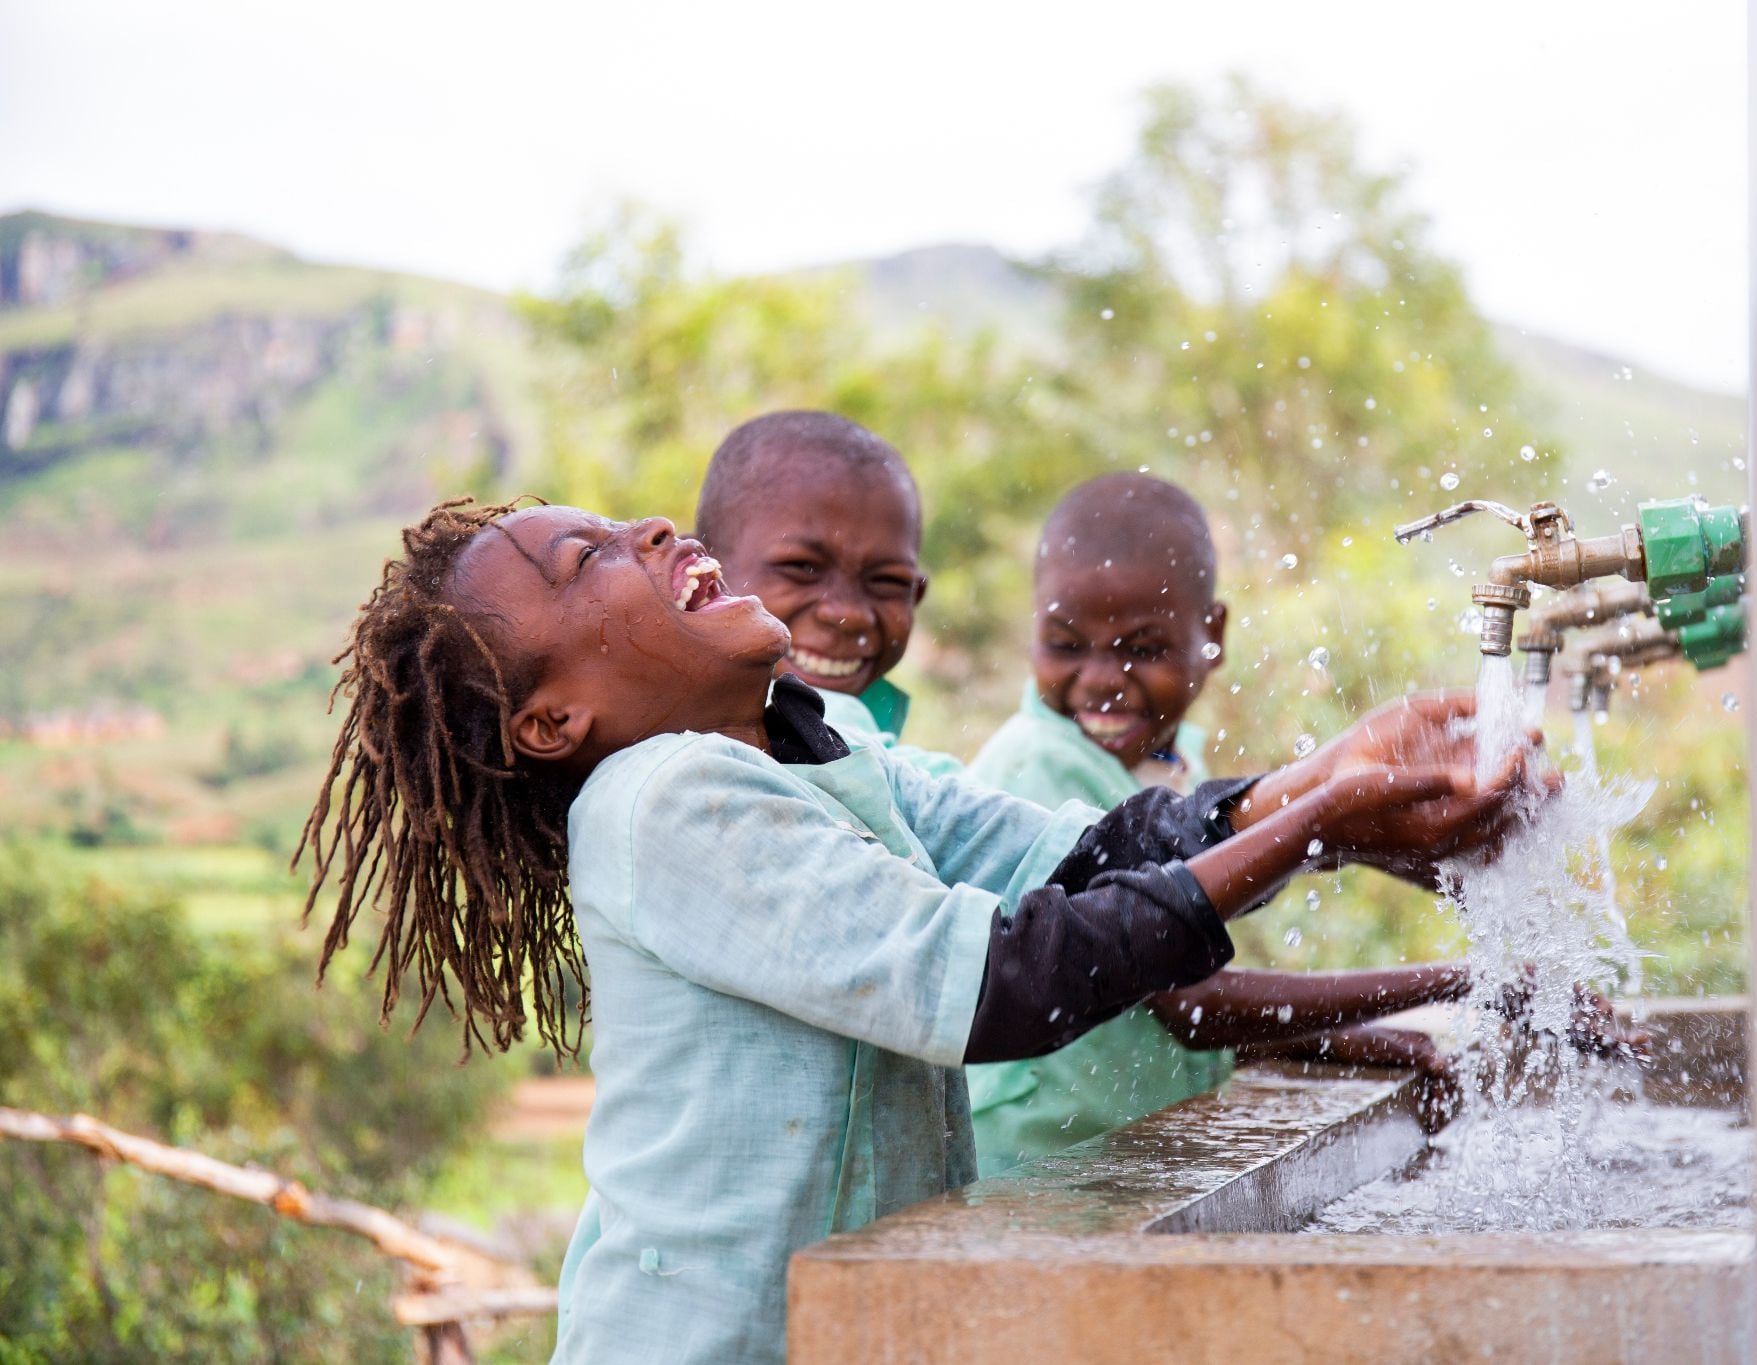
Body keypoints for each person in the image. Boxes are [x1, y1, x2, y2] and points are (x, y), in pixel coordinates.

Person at [296, 496, 1528, 1365]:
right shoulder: (658, 803)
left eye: (626, 522)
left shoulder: (818, 740)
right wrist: (1325, 813)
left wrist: (1328, 789)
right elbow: (1002, 985)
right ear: (553, 722)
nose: (652, 532)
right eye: (590, 560)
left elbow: (1081, 857)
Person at [965, 474, 1549, 1174]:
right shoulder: (1038, 765)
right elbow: (1194, 1009)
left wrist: (1349, 1040)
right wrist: (1460, 979)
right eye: (1065, 644)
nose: (1101, 678)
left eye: (1142, 648)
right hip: (1034, 1173)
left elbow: (1151, 1010)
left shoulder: (1170, 765)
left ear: (1211, 635)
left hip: (1109, 1159)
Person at [696, 409, 962, 776]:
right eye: (802, 568)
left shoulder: (898, 758)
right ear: (701, 572)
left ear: (914, 596)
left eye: (886, 581)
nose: (849, 613)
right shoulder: (663, 742)